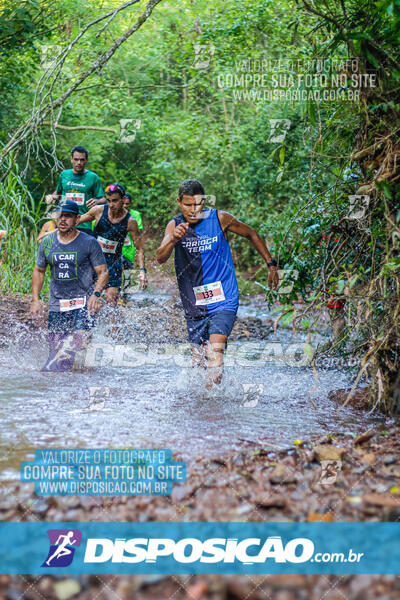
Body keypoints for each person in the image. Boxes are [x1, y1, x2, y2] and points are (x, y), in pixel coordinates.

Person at [156, 179, 279, 387]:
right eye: (188, 205)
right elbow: (160, 257)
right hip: (194, 303)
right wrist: (172, 239)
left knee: (215, 353)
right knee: (198, 362)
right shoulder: (174, 225)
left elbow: (251, 233)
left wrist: (271, 264)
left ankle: (213, 406)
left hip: (224, 299)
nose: (193, 210)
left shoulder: (220, 218)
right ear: (179, 202)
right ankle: (204, 405)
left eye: (198, 204)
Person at [30, 200, 108, 371]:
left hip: (83, 302)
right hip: (58, 303)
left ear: (77, 218)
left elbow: (103, 272)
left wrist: (96, 294)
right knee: (55, 355)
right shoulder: (47, 242)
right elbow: (39, 270)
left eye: (68, 216)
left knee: (77, 343)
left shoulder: (89, 242)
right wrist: (35, 300)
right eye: (60, 216)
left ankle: (82, 376)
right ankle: (60, 383)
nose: (63, 220)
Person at [78, 183, 147, 305]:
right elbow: (75, 222)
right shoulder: (98, 211)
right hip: (93, 261)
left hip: (113, 263)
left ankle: (114, 322)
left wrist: (142, 270)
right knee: (90, 300)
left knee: (111, 302)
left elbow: (139, 248)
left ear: (123, 199)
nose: (111, 205)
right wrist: (56, 232)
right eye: (108, 200)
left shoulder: (130, 221)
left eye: (115, 201)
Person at [46, 146, 105, 237]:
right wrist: (52, 197)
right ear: (71, 159)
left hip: (84, 223)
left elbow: (103, 199)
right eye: (76, 159)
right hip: (64, 222)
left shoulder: (93, 177)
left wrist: (96, 201)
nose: (79, 163)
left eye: (82, 160)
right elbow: (58, 193)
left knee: (82, 251)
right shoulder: (64, 175)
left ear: (86, 160)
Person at [121, 192, 143, 298]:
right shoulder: (113, 213)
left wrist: (130, 225)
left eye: (127, 204)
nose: (125, 206)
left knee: (128, 272)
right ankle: (113, 295)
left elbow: (139, 229)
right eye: (123, 204)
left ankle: (126, 296)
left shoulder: (135, 214)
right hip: (117, 248)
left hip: (130, 247)